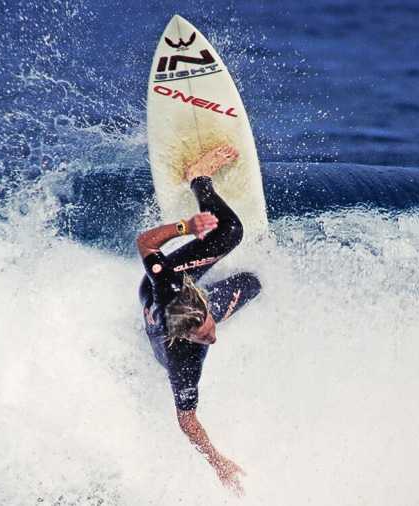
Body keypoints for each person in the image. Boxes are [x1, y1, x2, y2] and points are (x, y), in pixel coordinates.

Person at [136, 144, 262, 496]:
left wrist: (186, 227)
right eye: (206, 337)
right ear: (188, 338)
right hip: (161, 333)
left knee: (230, 231)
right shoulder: (184, 361)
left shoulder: (170, 282)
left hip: (158, 297)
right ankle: (198, 176)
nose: (214, 338)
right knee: (251, 284)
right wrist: (217, 461)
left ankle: (199, 179)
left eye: (210, 327)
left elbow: (145, 243)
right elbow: (187, 421)